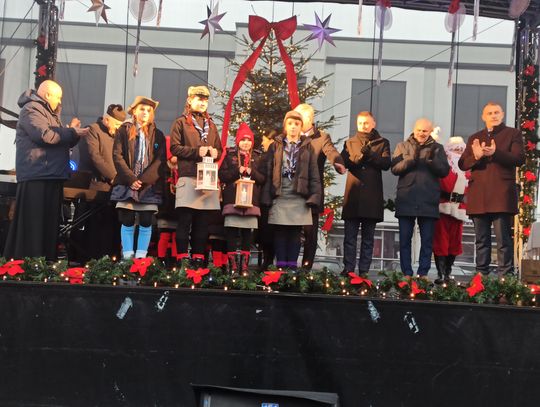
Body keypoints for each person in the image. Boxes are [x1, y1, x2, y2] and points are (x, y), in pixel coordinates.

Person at [4, 80, 88, 260]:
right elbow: (46, 136)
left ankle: (46, 261)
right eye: (58, 97)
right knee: (34, 225)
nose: (60, 101)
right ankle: (30, 261)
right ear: (48, 94)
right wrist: (72, 132)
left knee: (48, 225)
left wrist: (73, 133)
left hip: (51, 174)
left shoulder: (49, 113)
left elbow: (59, 138)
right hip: (37, 175)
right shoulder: (31, 109)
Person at [458, 102, 524, 276]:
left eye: (496, 112)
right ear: (483, 117)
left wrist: (495, 153)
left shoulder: (513, 134)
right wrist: (476, 156)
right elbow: (462, 164)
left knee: (503, 240)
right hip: (479, 195)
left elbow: (519, 159)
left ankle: (505, 277)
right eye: (489, 113)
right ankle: (481, 276)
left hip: (501, 194)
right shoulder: (475, 137)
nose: (493, 116)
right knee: (481, 240)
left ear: (502, 115)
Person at [170, 85, 222, 268]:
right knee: (185, 221)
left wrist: (216, 153)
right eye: (199, 99)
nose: (202, 102)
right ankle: (182, 260)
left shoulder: (212, 125)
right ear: (189, 100)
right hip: (189, 176)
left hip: (207, 179)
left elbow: (219, 149)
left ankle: (198, 260)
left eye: (205, 100)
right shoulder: (180, 122)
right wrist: (195, 151)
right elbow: (174, 148)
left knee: (203, 222)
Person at [261, 110, 321, 270]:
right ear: (285, 126)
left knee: (295, 232)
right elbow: (268, 171)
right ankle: (281, 267)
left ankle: (292, 269)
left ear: (301, 126)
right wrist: (266, 196)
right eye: (290, 124)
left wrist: (314, 196)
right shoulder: (275, 146)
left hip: (299, 196)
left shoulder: (308, 147)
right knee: (280, 231)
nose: (293, 127)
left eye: (297, 124)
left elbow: (314, 173)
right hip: (280, 194)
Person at [391, 118, 450, 278]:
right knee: (404, 239)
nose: (421, 133)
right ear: (414, 129)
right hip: (406, 199)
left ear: (430, 131)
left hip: (428, 200)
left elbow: (444, 171)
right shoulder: (402, 146)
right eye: (419, 130)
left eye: (425, 131)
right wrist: (410, 160)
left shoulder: (438, 148)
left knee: (427, 240)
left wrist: (432, 162)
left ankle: (423, 273)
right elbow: (394, 169)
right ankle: (407, 273)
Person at [110, 96, 165, 259]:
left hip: (148, 186)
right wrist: (131, 179)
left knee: (146, 220)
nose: (145, 112)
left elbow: (160, 160)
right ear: (134, 111)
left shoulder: (158, 134)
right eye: (142, 109)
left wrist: (143, 181)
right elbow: (117, 155)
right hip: (127, 183)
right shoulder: (123, 130)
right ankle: (127, 258)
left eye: (149, 110)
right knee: (127, 219)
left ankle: (141, 259)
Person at [294, 103, 346, 269]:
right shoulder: (291, 136)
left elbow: (331, 152)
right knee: (291, 232)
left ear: (309, 119)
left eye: (299, 119)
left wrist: (338, 163)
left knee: (310, 234)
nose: (296, 122)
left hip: (312, 193)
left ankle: (306, 269)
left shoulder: (322, 137)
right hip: (292, 192)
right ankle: (288, 268)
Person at [74, 104, 126, 261]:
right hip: (95, 186)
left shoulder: (118, 135)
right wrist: (113, 176)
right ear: (106, 119)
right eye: (116, 124)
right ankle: (88, 259)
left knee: (111, 225)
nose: (118, 128)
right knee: (94, 225)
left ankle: (110, 258)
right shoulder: (92, 130)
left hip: (113, 188)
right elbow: (95, 157)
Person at [341, 112, 391, 277]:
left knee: (368, 239)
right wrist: (359, 157)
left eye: (367, 123)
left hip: (371, 197)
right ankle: (348, 269)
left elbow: (386, 164)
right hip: (353, 196)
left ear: (373, 123)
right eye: (361, 123)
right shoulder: (349, 142)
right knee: (350, 237)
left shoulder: (382, 142)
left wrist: (371, 155)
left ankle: (364, 271)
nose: (363, 126)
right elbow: (344, 162)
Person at [219, 123, 266, 275]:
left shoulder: (258, 157)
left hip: (251, 201)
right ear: (238, 141)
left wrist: (252, 172)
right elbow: (222, 175)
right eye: (243, 140)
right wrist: (236, 171)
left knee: (247, 235)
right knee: (231, 233)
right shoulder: (230, 155)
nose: (246, 143)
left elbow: (263, 178)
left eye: (249, 140)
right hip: (232, 200)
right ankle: (233, 267)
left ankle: (244, 267)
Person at [433, 136, 469, 284]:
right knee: (440, 240)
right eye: (455, 149)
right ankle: (440, 273)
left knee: (455, 241)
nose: (458, 152)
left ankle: (448, 272)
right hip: (443, 206)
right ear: (448, 150)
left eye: (461, 149)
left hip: (459, 209)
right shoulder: (443, 166)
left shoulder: (466, 168)